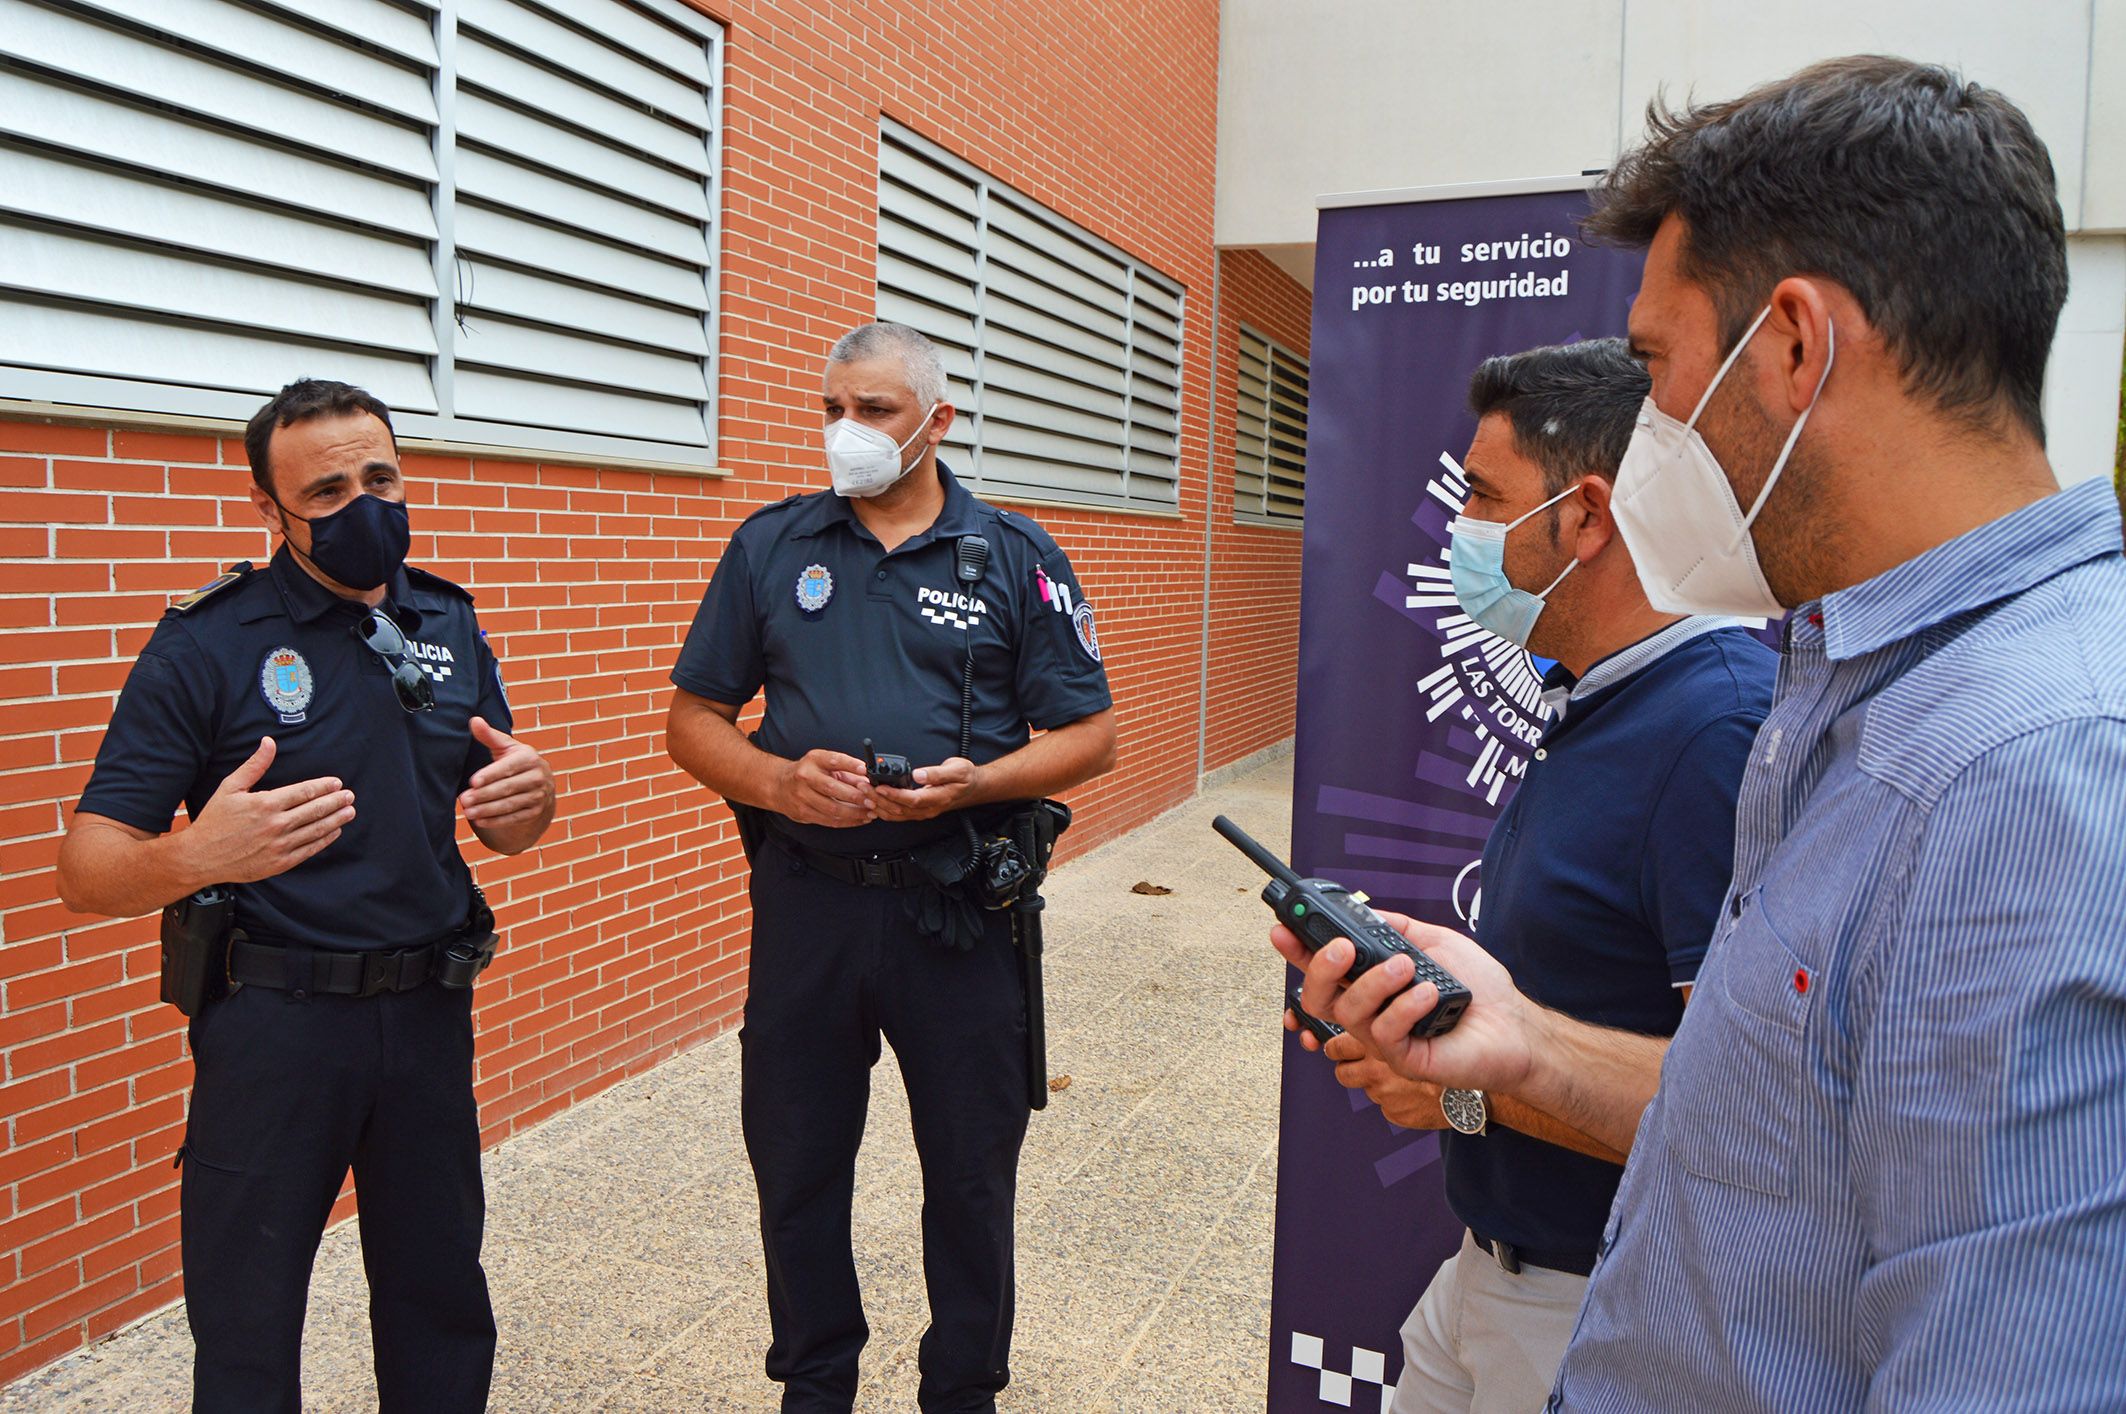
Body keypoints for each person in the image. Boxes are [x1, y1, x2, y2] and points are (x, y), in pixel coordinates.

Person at [1285, 56, 2126, 1410]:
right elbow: (1778, 1140)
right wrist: (1518, 1049)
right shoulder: (1845, 689)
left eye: (1656, 367)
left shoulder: (2031, 768)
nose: (1651, 426)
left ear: (1792, 344)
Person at [54, 379, 555, 1411]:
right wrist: (200, 855)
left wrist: (528, 803)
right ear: (269, 512)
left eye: (379, 476)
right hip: (275, 1031)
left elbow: (504, 822)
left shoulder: (446, 621)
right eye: (326, 490)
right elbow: (86, 864)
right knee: (246, 1323)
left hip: (426, 1015)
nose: (363, 505)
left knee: (439, 1302)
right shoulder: (210, 642)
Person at [1292, 338, 1773, 1413]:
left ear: (1586, 516)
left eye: (1481, 494)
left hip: (1599, 1310)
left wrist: (1462, 1092)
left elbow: (1743, 1116)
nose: (1459, 525)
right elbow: (1559, 1018)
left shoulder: (1715, 731)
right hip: (1486, 1276)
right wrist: (1449, 1067)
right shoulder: (1597, 699)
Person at [664, 321, 1117, 1413]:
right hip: (808, 907)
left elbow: (1090, 736)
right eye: (832, 408)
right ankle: (813, 1382)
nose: (846, 432)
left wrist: (978, 782)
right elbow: (693, 720)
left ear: (936, 422)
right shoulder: (772, 546)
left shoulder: (1011, 554)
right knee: (796, 1165)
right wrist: (774, 783)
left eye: (872, 410)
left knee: (969, 1176)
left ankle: (961, 1387)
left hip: (956, 913)